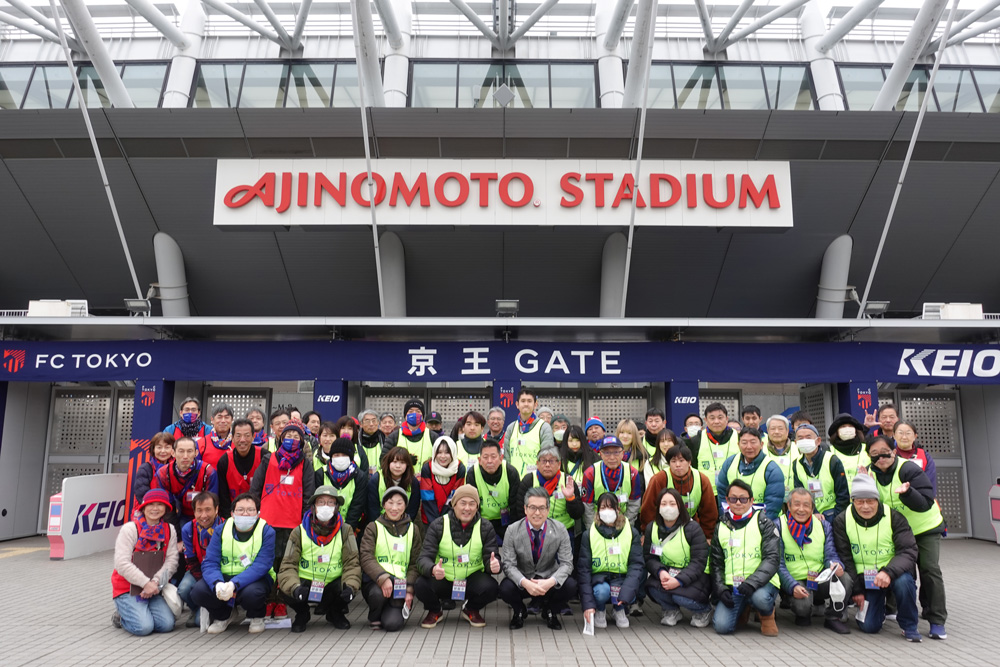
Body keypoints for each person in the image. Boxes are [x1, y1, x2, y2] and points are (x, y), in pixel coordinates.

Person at [866, 435, 948, 639]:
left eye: (884, 452)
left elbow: (926, 502)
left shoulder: (908, 469)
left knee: (929, 569)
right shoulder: (870, 473)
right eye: (874, 454)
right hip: (898, 532)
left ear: (893, 451)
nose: (880, 457)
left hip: (924, 528)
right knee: (904, 575)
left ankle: (936, 619)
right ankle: (903, 616)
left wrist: (907, 493)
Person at [832, 474, 922, 641]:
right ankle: (877, 608)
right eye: (859, 501)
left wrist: (888, 572)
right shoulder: (842, 520)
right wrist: (856, 590)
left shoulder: (894, 517)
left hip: (892, 573)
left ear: (877, 500)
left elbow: (908, 551)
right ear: (852, 501)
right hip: (865, 579)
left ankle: (909, 626)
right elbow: (845, 557)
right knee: (869, 627)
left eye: (870, 501)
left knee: (904, 582)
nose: (865, 506)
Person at [250, 420, 315, 619]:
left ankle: (282, 601)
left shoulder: (305, 464)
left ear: (302, 441)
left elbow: (309, 494)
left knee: (286, 564)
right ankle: (268, 601)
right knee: (268, 563)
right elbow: (255, 490)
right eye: (288, 436)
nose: (292, 440)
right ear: (280, 438)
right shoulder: (267, 459)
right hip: (267, 522)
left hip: (292, 523)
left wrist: (304, 520)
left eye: (296, 437)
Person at [415, 484, 500, 628]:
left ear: (477, 506)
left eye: (472, 504)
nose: (467, 508)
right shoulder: (438, 525)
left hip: (471, 579)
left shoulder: (485, 527)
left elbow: (491, 556)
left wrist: (494, 565)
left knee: (492, 588)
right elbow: (423, 559)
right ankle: (435, 610)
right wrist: (433, 569)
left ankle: (471, 609)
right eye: (463, 503)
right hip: (444, 578)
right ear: (454, 505)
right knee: (421, 585)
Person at [190, 493, 276, 634]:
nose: (245, 514)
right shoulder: (221, 530)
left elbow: (262, 565)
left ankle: (257, 616)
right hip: (224, 577)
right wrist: (217, 583)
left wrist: (234, 584)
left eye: (250, 510)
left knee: (253, 594)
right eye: (240, 510)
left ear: (258, 513)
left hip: (254, 579)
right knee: (198, 591)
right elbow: (210, 562)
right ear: (232, 513)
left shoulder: (266, 531)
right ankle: (223, 616)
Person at [278, 485, 361, 632]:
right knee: (285, 590)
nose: (325, 507)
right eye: (321, 502)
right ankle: (302, 614)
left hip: (333, 584)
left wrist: (351, 586)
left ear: (336, 507)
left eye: (330, 503)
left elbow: (352, 563)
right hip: (306, 583)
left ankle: (335, 613)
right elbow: (288, 566)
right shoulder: (299, 531)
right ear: (314, 506)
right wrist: (295, 588)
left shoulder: (345, 530)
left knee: (349, 586)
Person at [710, 479, 781, 637]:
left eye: (743, 499)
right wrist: (721, 589)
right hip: (733, 586)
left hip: (761, 584)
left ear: (751, 500)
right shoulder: (721, 525)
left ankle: (767, 614)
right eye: (733, 499)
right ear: (727, 500)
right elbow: (716, 562)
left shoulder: (764, 523)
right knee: (722, 627)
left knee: (760, 598)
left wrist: (752, 583)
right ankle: (744, 608)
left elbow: (772, 559)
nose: (738, 503)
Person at [500, 487, 577, 630]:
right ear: (525, 509)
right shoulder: (512, 530)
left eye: (542, 508)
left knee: (571, 585)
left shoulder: (560, 529)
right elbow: (508, 565)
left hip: (548, 578)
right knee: (505, 588)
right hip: (524, 578)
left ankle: (550, 611)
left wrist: (550, 582)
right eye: (532, 507)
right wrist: (525, 583)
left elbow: (567, 563)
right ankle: (519, 611)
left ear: (548, 510)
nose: (537, 513)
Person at [777, 488, 851, 633]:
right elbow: (777, 564)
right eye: (796, 504)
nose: (801, 509)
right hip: (795, 580)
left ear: (812, 508)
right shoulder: (778, 526)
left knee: (845, 579)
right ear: (789, 506)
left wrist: (836, 565)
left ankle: (832, 617)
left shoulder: (823, 526)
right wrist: (792, 586)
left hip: (819, 578)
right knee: (802, 608)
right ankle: (802, 611)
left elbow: (831, 554)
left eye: (806, 505)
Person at [110, 488, 179, 636]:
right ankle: (121, 617)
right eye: (150, 504)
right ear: (143, 507)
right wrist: (145, 583)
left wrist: (154, 583)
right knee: (144, 627)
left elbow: (171, 561)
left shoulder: (170, 530)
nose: (155, 508)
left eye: (160, 504)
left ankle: (137, 611)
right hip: (128, 588)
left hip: (153, 588)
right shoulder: (130, 529)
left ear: (166, 508)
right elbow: (122, 563)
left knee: (167, 624)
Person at [643, 488, 713, 627]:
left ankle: (704, 610)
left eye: (672, 503)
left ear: (680, 506)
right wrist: (660, 572)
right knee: (652, 588)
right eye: (663, 504)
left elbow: (699, 562)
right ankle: (671, 610)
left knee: (679, 596)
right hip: (668, 572)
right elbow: (649, 557)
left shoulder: (692, 528)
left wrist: (679, 580)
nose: (667, 508)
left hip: (696, 576)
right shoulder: (652, 527)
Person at [360, 485, 423, 631]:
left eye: (399, 503)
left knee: (392, 625)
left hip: (401, 584)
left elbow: (415, 562)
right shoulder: (373, 527)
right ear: (383, 505)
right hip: (376, 582)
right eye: (390, 502)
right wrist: (383, 578)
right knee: (377, 594)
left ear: (405, 506)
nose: (394, 508)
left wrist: (409, 588)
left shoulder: (413, 529)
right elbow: (366, 557)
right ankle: (375, 616)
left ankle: (390, 611)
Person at [578, 492, 644, 629]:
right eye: (603, 507)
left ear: (618, 509)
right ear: (598, 511)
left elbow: (636, 564)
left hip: (622, 579)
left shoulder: (631, 532)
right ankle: (600, 609)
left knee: (629, 594)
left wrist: (626, 592)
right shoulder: (589, 534)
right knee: (601, 592)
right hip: (599, 580)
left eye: (610, 507)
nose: (606, 511)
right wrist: (588, 605)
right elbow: (583, 570)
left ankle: (619, 609)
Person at [640, 443, 717, 541]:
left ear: (689, 462)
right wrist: (647, 533)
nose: (677, 465)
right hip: (663, 527)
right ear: (668, 463)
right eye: (673, 461)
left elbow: (709, 511)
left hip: (692, 527)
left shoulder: (702, 479)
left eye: (681, 460)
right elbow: (648, 508)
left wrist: (707, 536)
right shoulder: (658, 479)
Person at [514, 447, 583, 542]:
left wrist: (570, 498)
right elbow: (520, 511)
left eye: (551, 461)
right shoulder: (529, 480)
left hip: (563, 531)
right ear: (537, 464)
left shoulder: (568, 481)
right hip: (535, 532)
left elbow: (578, 514)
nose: (547, 465)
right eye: (544, 461)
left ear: (559, 464)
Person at [152, 436, 218, 534]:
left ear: (196, 453)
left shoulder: (208, 472)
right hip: (178, 515)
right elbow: (166, 507)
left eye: (190, 451)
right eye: (181, 451)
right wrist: (177, 537)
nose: (185, 456)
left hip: (205, 515)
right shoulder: (163, 474)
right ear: (173, 453)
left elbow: (212, 504)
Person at [716, 427, 785, 520]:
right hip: (733, 520)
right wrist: (728, 518)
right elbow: (722, 494)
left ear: (761, 444)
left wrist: (759, 525)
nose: (749, 446)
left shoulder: (772, 469)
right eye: (744, 443)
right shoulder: (729, 463)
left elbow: (772, 507)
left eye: (753, 442)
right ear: (738, 445)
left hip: (762, 523)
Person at [178, 491, 223, 627]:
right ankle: (196, 608)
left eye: (208, 510)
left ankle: (217, 609)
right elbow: (190, 559)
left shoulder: (225, 526)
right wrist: (203, 581)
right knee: (183, 589)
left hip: (220, 571)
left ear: (216, 509)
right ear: (194, 512)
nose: (204, 515)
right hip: (198, 570)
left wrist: (212, 579)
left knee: (199, 621)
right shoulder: (188, 529)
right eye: (199, 511)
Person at [581, 436, 643, 528]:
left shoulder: (632, 473)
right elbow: (587, 507)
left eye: (616, 452)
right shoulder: (590, 474)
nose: (612, 457)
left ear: (622, 453)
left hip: (623, 521)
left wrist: (625, 526)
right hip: (598, 522)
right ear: (601, 454)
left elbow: (634, 504)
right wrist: (594, 530)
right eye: (607, 453)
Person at [790, 424, 849, 521]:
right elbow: (799, 493)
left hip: (833, 513)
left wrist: (836, 519)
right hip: (809, 515)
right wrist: (814, 512)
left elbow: (842, 494)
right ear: (796, 443)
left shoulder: (832, 460)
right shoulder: (796, 464)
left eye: (808, 437)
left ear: (818, 441)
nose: (804, 441)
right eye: (800, 438)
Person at [466, 439, 519, 543]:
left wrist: (513, 532)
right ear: (479, 460)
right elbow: (472, 506)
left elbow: (515, 506)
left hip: (506, 521)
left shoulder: (510, 472)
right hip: (482, 521)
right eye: (485, 457)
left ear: (501, 458)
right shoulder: (472, 474)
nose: (489, 461)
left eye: (493, 457)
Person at [315, 437, 369, 529]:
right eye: (336, 455)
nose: (340, 458)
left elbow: (357, 505)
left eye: (344, 455)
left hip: (350, 526)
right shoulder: (320, 473)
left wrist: (347, 529)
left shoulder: (360, 476)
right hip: (324, 526)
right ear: (331, 456)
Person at [216, 418, 263, 518]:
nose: (242, 440)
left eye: (247, 436)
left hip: (259, 513)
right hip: (234, 514)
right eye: (238, 436)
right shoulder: (224, 461)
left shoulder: (264, 457)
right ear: (232, 438)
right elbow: (223, 497)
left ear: (253, 437)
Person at [503, 389, 555, 477]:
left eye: (529, 401)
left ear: (535, 405)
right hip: (514, 482)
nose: (526, 404)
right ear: (517, 404)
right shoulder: (511, 428)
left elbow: (547, 458)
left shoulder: (544, 427)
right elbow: (506, 458)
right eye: (523, 401)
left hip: (536, 482)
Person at [420, 436, 468, 525]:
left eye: (447, 452)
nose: (443, 456)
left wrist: (445, 520)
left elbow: (454, 497)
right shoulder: (427, 468)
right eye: (439, 452)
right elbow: (427, 497)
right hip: (429, 518)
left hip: (451, 518)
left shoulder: (459, 468)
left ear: (453, 453)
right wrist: (435, 523)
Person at [696, 402, 739, 499]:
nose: (716, 421)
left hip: (734, 493)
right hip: (706, 493)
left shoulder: (739, 437)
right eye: (712, 418)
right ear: (706, 420)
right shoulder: (696, 440)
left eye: (720, 418)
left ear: (727, 419)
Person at [369, 446, 421, 522]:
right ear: (388, 463)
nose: (398, 466)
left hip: (403, 523)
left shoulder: (413, 482)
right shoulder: (376, 480)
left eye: (402, 462)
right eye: (394, 462)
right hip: (380, 522)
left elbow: (412, 510)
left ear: (407, 465)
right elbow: (372, 509)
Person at [384, 399, 435, 466]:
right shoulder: (394, 436)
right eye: (410, 411)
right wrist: (404, 460)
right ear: (405, 416)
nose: (414, 414)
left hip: (425, 476)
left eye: (418, 411)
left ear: (423, 416)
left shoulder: (432, 436)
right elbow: (384, 460)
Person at [827, 413, 870, 489]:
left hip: (864, 496)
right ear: (836, 431)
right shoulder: (829, 451)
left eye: (850, 426)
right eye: (843, 426)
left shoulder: (867, 448)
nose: (847, 429)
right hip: (840, 498)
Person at [893, 421, 938, 495]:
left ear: (915, 436)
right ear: (894, 435)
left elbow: (930, 482)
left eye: (908, 433)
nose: (904, 437)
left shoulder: (925, 456)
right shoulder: (889, 455)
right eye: (900, 433)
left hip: (919, 500)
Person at [132, 431, 174, 503]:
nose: (163, 451)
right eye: (159, 447)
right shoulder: (145, 468)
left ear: (173, 449)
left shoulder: (176, 468)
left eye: (167, 447)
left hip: (171, 510)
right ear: (153, 449)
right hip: (151, 509)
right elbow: (142, 495)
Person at [764, 415, 798, 498]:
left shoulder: (798, 448)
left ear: (787, 431)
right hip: (769, 498)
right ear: (768, 431)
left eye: (780, 428)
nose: (776, 432)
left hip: (795, 498)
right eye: (773, 429)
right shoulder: (760, 450)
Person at [198, 404, 234, 469]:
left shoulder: (239, 443)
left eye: (226, 417)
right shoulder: (201, 443)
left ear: (232, 420)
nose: (223, 421)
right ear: (212, 419)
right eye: (219, 417)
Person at [358, 410, 385, 474]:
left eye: (374, 421)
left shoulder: (384, 439)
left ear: (378, 423)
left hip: (381, 477)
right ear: (361, 424)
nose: (371, 424)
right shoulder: (356, 440)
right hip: (361, 477)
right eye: (367, 421)